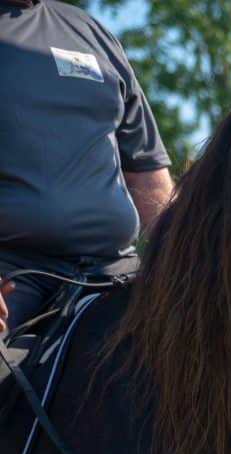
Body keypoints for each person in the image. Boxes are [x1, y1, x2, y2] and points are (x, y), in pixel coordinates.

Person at [0, 0, 173, 338]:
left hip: (117, 273)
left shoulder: (93, 35)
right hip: (14, 278)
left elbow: (150, 181)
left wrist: (194, 257)